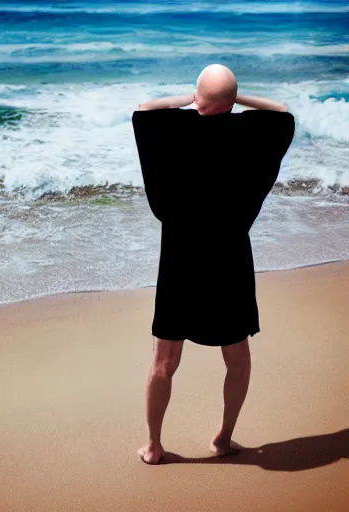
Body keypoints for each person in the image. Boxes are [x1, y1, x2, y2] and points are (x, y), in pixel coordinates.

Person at [135, 64, 291, 465]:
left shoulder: (174, 130)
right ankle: (223, 439)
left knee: (164, 361)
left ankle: (153, 446)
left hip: (180, 261)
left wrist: (188, 100)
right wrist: (235, 100)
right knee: (237, 360)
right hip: (229, 261)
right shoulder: (250, 135)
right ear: (230, 102)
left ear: (198, 96)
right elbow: (282, 112)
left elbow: (144, 109)